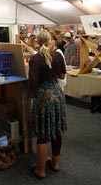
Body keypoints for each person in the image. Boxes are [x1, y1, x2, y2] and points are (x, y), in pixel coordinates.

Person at [28, 30, 67, 179]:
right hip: (57, 94)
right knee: (56, 129)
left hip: (43, 96)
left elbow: (33, 83)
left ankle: (41, 170)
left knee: (43, 134)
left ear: (37, 42)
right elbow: (62, 75)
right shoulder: (58, 55)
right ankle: (55, 164)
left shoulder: (35, 59)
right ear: (50, 40)